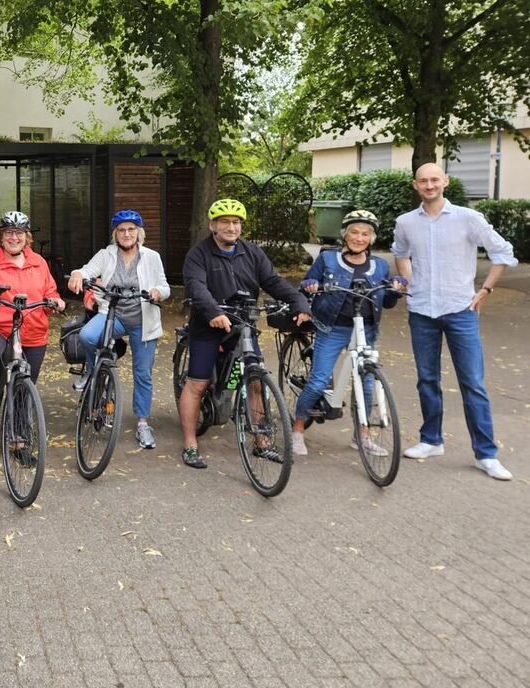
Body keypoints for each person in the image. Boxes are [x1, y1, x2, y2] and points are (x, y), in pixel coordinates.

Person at [392, 163, 518, 481]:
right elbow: (400, 253)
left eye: (435, 179)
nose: (429, 185)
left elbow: (503, 252)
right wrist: (410, 282)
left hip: (461, 310)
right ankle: (431, 440)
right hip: (422, 311)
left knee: (472, 383)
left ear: (445, 181)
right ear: (415, 185)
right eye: (423, 181)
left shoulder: (468, 218)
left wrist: (486, 290)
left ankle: (486, 454)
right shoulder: (406, 222)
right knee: (427, 380)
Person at [179, 199, 312, 469]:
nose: (231, 227)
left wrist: (299, 303)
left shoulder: (252, 252)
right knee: (198, 384)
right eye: (225, 222)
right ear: (212, 226)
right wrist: (213, 311)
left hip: (244, 324)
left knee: (255, 381)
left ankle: (262, 442)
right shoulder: (199, 254)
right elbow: (196, 286)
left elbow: (273, 281)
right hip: (209, 324)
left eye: (236, 222)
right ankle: (190, 444)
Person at [291, 210, 406, 456]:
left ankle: (361, 437)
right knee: (319, 381)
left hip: (366, 330)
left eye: (365, 234)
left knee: (366, 382)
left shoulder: (380, 266)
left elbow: (386, 302)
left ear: (372, 238)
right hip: (332, 327)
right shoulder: (328, 259)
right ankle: (297, 429)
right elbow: (306, 285)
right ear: (345, 234)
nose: (359, 238)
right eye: (354, 232)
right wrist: (310, 286)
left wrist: (395, 290)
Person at [0, 211, 65, 455]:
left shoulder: (38, 262)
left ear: (27, 236)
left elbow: (50, 291)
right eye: (9, 233)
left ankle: (18, 441)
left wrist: (55, 301)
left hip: (33, 331)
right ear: (1, 236)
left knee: (23, 384)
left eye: (19, 233)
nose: (14, 238)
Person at [67, 210, 170, 449]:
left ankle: (143, 423)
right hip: (113, 315)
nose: (126, 234)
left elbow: (164, 286)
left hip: (143, 319)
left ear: (138, 233)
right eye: (121, 230)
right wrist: (77, 274)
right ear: (116, 234)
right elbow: (87, 270)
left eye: (131, 229)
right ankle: (91, 371)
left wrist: (157, 292)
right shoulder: (106, 254)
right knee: (87, 335)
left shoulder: (151, 257)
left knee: (143, 373)